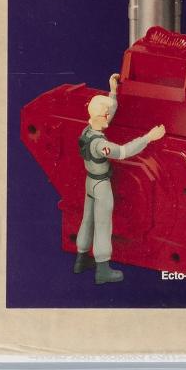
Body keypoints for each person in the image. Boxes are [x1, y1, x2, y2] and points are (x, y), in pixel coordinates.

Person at [74, 73, 165, 285]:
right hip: (101, 185)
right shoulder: (100, 144)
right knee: (103, 224)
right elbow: (123, 152)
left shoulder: (87, 131)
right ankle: (103, 269)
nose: (108, 117)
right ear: (99, 116)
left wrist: (113, 92)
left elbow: (109, 113)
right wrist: (148, 138)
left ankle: (81, 259)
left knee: (87, 219)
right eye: (105, 114)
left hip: (90, 182)